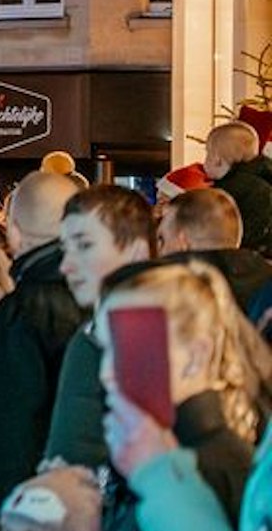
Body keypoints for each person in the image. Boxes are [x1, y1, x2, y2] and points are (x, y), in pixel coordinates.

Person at [82, 261, 271, 531]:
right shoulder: (155, 461)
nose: (107, 371)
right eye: (106, 347)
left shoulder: (215, 468)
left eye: (131, 346)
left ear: (198, 354)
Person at [0, 171, 83, 531]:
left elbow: (3, 427)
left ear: (14, 228)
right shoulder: (100, 295)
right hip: (84, 498)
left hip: (27, 505)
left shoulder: (17, 311)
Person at [44, 185, 156, 470]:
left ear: (136, 251)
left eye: (84, 245)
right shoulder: (94, 334)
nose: (65, 266)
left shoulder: (129, 338)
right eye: (65, 249)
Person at [158, 187, 272, 316]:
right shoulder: (266, 289)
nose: (159, 250)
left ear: (183, 243)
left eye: (162, 239)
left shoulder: (167, 300)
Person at [206, 120, 272, 258]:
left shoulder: (231, 189)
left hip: (242, 259)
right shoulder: (264, 181)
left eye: (207, 153)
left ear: (217, 159)